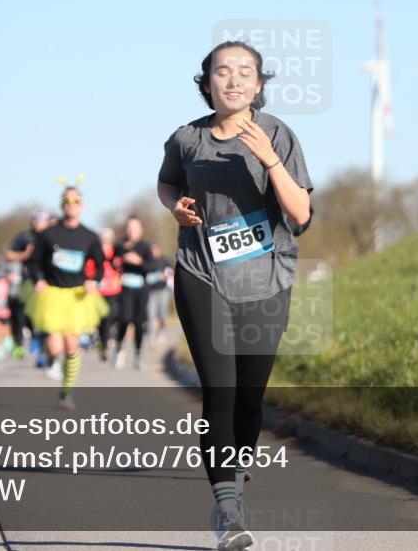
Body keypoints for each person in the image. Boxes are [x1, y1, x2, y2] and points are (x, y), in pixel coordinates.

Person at [156, 41, 313, 550]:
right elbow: (167, 183)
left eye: (246, 71)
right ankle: (227, 510)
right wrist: (175, 207)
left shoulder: (277, 134)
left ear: (259, 84)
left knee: (249, 396)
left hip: (265, 279)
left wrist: (269, 160)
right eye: (223, 71)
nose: (234, 79)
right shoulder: (186, 138)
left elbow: (300, 215)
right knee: (219, 392)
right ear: (207, 84)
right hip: (200, 273)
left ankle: (236, 475)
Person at [25, 186, 108, 409]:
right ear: (61, 204)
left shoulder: (89, 236)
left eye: (76, 200)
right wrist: (38, 279)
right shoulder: (48, 234)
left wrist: (94, 281)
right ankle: (50, 359)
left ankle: (66, 393)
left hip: (77, 297)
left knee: (72, 347)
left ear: (83, 205)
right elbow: (33, 263)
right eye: (67, 200)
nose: (71, 205)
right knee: (55, 348)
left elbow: (101, 265)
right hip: (52, 294)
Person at [6, 211, 53, 367]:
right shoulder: (25, 237)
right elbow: (9, 255)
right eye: (36, 220)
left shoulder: (52, 237)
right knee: (20, 312)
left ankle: (42, 351)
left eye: (42, 220)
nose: (39, 223)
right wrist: (26, 254)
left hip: (48, 282)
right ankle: (19, 343)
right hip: (28, 281)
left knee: (43, 318)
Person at [112, 216, 153, 370]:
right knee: (124, 319)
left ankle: (138, 355)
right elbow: (110, 262)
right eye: (129, 227)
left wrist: (139, 262)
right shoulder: (119, 246)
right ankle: (118, 349)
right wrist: (117, 262)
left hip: (141, 290)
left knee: (138, 322)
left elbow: (153, 267)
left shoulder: (145, 247)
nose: (131, 231)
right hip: (124, 288)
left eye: (135, 228)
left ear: (141, 230)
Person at [92, 227, 122, 362]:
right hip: (98, 289)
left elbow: (120, 266)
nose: (105, 240)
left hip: (113, 288)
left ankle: (104, 341)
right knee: (100, 317)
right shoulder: (95, 251)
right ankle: (101, 341)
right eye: (103, 238)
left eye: (108, 238)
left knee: (111, 315)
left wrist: (118, 265)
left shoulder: (115, 251)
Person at [145, 242, 173, 346]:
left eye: (155, 250)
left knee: (162, 313)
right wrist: (157, 276)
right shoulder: (147, 261)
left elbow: (171, 273)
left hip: (163, 291)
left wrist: (165, 276)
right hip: (151, 291)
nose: (153, 252)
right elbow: (146, 276)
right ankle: (151, 335)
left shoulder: (165, 261)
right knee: (151, 314)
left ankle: (162, 332)